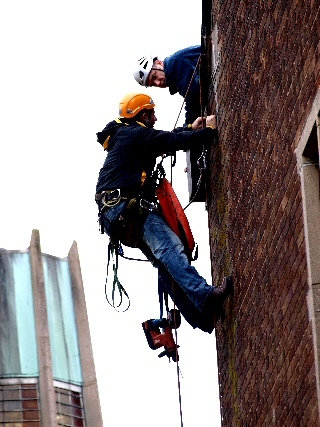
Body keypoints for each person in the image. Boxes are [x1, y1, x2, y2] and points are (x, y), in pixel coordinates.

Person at [95, 92, 232, 333]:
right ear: (143, 115)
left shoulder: (127, 136)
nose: (155, 118)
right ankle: (205, 296)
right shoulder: (134, 135)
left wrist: (191, 127)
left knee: (164, 264)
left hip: (117, 214)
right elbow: (168, 142)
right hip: (127, 209)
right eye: (152, 114)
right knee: (170, 249)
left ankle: (201, 316)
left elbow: (163, 138)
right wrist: (208, 133)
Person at [133, 46, 202, 125]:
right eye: (153, 84)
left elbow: (193, 95)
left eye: (154, 76)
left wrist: (187, 128)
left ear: (159, 63)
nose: (158, 83)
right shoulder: (176, 77)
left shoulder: (175, 63)